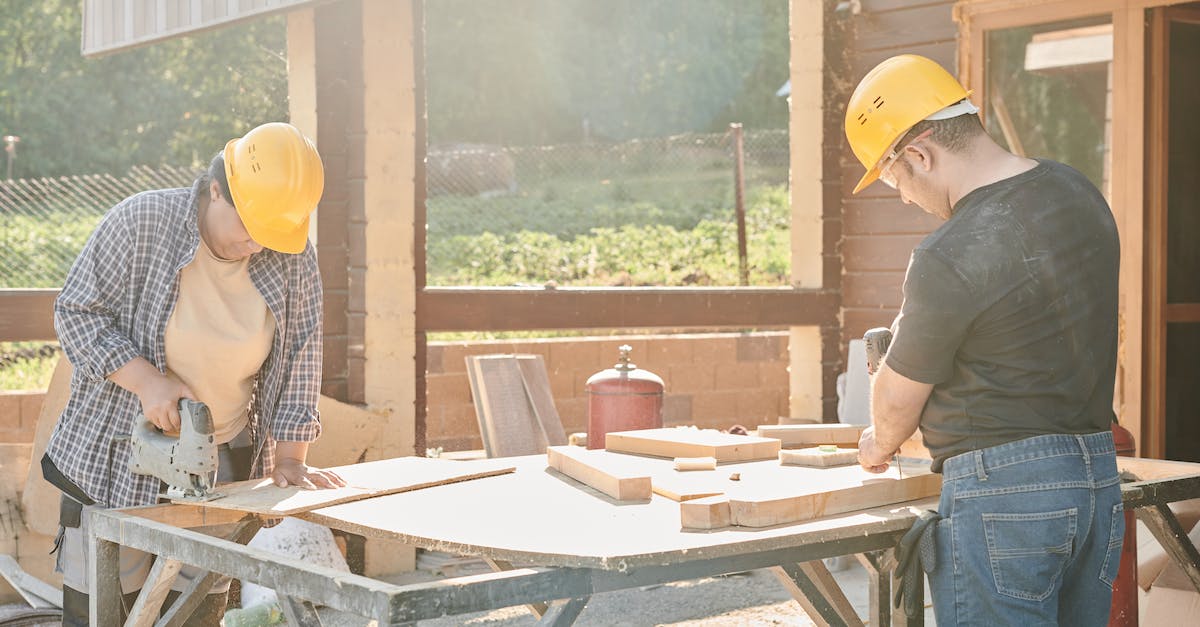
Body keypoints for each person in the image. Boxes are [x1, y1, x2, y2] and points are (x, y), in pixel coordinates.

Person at [845, 55, 1123, 624]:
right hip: (1096, 478)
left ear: (920, 154)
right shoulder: (1078, 193)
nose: (902, 197)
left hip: (1004, 496)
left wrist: (876, 444)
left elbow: (897, 409)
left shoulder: (949, 252)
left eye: (895, 178)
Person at [45, 122, 348, 625]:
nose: (256, 245)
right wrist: (147, 382)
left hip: (217, 461)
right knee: (102, 607)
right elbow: (77, 312)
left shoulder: (292, 258)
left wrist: (292, 456)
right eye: (249, 228)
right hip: (114, 456)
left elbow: (301, 355)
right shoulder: (142, 222)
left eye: (269, 234)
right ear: (215, 189)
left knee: (201, 607)